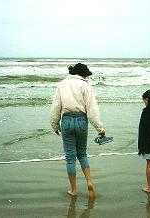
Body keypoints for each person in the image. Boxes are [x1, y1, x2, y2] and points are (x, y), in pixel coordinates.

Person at [50, 63, 105, 197]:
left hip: (67, 120)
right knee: (82, 154)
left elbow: (56, 107)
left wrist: (55, 125)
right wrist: (100, 128)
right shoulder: (85, 85)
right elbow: (92, 110)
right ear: (82, 74)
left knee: (70, 158)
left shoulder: (62, 84)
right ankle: (89, 182)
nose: (87, 77)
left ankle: (73, 190)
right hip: (81, 120)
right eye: (86, 74)